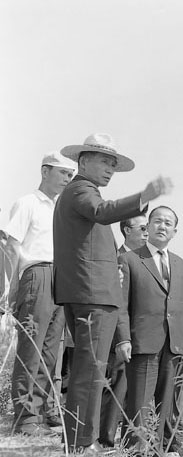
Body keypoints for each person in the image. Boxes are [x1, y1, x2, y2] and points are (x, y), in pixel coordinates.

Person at [53, 133, 171, 452]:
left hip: (88, 291)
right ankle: (81, 441)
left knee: (87, 369)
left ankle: (78, 438)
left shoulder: (77, 192)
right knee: (90, 370)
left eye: (113, 164)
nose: (109, 169)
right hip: (93, 293)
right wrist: (144, 195)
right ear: (83, 161)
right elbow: (104, 211)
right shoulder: (81, 190)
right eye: (104, 161)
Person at [4, 152, 75, 436]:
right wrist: (16, 285)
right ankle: (24, 418)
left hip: (62, 277)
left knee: (49, 353)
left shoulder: (61, 209)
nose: (68, 180)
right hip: (37, 274)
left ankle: (42, 411)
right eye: (63, 174)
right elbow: (11, 245)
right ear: (45, 171)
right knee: (31, 350)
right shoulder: (28, 202)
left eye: (71, 176)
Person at [114, 206, 183, 452]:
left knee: (165, 404)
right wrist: (123, 338)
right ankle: (134, 450)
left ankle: (157, 448)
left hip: (174, 342)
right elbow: (121, 305)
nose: (162, 226)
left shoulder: (180, 264)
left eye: (168, 223)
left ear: (175, 231)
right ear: (147, 227)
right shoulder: (129, 259)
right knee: (139, 403)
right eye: (157, 221)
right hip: (143, 342)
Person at [98, 214, 148, 447]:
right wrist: (121, 337)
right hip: (120, 335)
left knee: (134, 393)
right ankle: (106, 440)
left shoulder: (146, 260)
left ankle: (131, 441)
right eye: (142, 228)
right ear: (127, 230)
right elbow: (118, 303)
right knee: (116, 388)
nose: (147, 232)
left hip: (142, 336)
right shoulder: (117, 259)